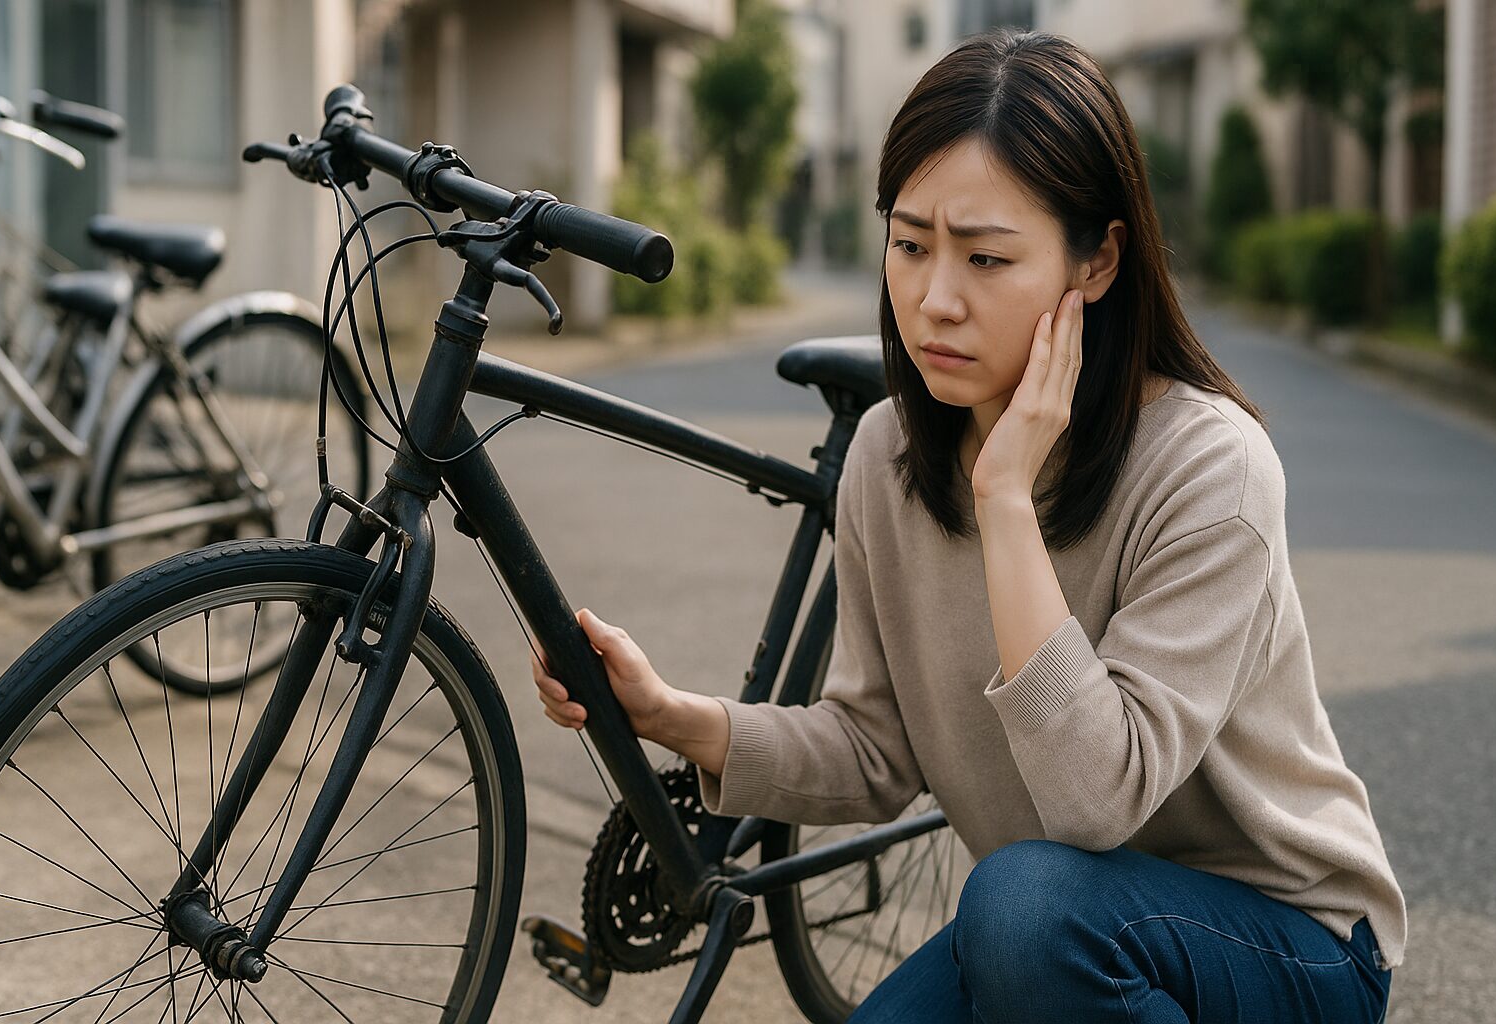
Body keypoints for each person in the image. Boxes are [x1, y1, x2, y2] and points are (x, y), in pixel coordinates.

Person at [532, 28, 1404, 1023]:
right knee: (1020, 920)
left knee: (1023, 905)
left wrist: (1004, 501)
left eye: (986, 258)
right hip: (1065, 933)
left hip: (1291, 946)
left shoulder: (1210, 467)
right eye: (909, 245)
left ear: (1100, 260)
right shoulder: (887, 455)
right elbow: (873, 747)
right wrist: (668, 714)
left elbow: (1093, 803)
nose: (934, 299)